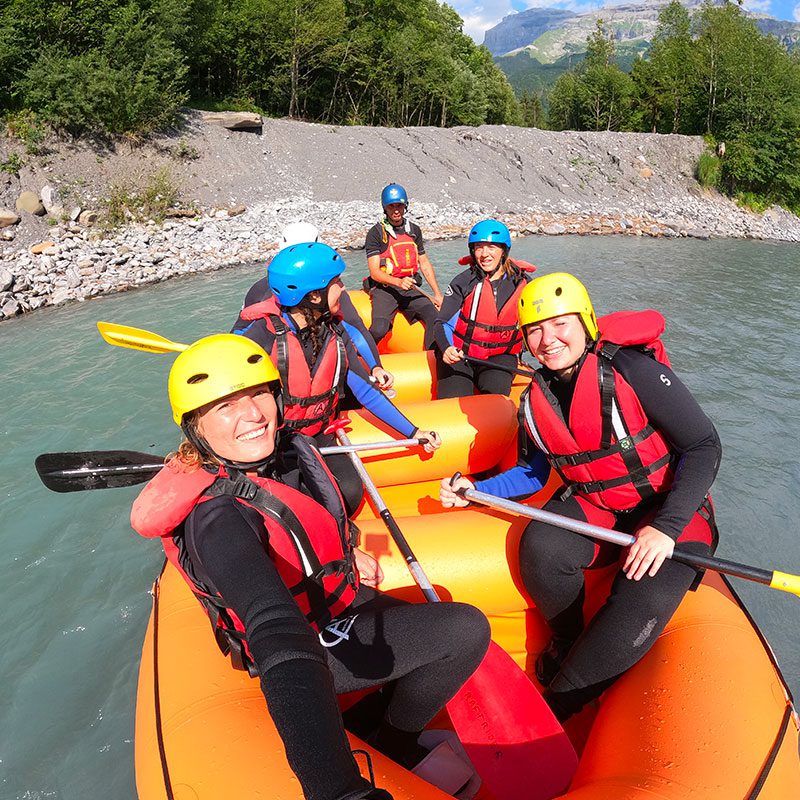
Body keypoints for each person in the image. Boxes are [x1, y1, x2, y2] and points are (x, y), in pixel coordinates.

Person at [130, 334, 490, 800]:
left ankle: (369, 727)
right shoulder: (217, 518)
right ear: (196, 427)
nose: (254, 415)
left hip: (332, 599)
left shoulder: (279, 455)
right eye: (226, 407)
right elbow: (275, 629)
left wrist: (348, 549)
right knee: (464, 631)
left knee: (438, 619)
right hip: (302, 634)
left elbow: (311, 520)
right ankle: (391, 743)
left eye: (259, 394)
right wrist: (336, 790)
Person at [441, 272, 720, 722]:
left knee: (643, 596)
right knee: (542, 548)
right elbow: (532, 474)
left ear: (585, 323)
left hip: (666, 507)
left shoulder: (631, 369)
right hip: (604, 509)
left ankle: (557, 708)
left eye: (560, 324)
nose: (548, 339)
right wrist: (476, 491)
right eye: (535, 330)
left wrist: (664, 529)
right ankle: (570, 638)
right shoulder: (534, 400)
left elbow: (704, 445)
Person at [232, 241, 441, 515]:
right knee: (286, 506)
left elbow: (365, 391)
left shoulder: (333, 331)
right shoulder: (263, 336)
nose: (343, 289)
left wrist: (414, 432)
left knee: (349, 494)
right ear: (314, 296)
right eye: (337, 283)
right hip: (278, 443)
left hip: (321, 434)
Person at [236, 222, 393, 391]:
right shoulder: (261, 292)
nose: (342, 286)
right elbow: (355, 328)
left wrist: (375, 367)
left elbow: (354, 328)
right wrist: (375, 366)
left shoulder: (261, 289)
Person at [434, 219, 533, 399]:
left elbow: (538, 325)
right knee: (452, 404)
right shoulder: (463, 282)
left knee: (495, 402)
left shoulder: (523, 283)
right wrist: (447, 348)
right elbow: (442, 323)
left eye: (492, 247)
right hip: (460, 354)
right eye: (479, 247)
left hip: (500, 357)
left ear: (504, 250)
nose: (484, 254)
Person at [363, 184, 443, 350]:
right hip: (385, 289)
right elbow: (375, 272)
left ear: (405, 205)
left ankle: (432, 358)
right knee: (379, 329)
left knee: (434, 317)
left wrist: (437, 293)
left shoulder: (414, 230)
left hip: (410, 287)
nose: (396, 210)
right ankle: (360, 359)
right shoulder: (376, 233)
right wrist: (398, 283)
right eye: (391, 206)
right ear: (385, 207)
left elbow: (424, 263)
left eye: (399, 205)